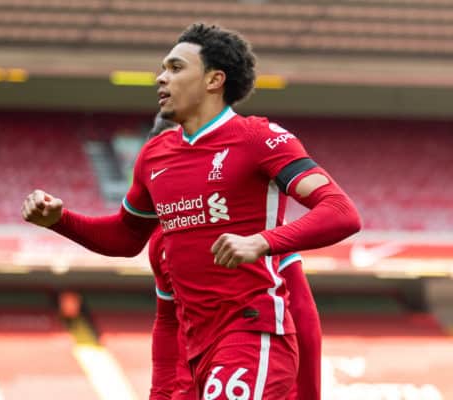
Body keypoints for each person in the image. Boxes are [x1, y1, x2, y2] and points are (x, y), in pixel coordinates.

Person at [22, 23, 360, 399]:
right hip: (199, 351)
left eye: (176, 67)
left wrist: (262, 242)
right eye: (163, 68)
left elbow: (340, 211)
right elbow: (126, 236)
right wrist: (60, 221)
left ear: (214, 80)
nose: (160, 77)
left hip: (252, 330)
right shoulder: (154, 155)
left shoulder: (260, 139)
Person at [146, 116, 321, 400]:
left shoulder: (252, 227)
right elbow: (167, 323)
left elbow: (301, 310)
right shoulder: (159, 242)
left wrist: (310, 396)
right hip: (189, 386)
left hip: (248, 373)